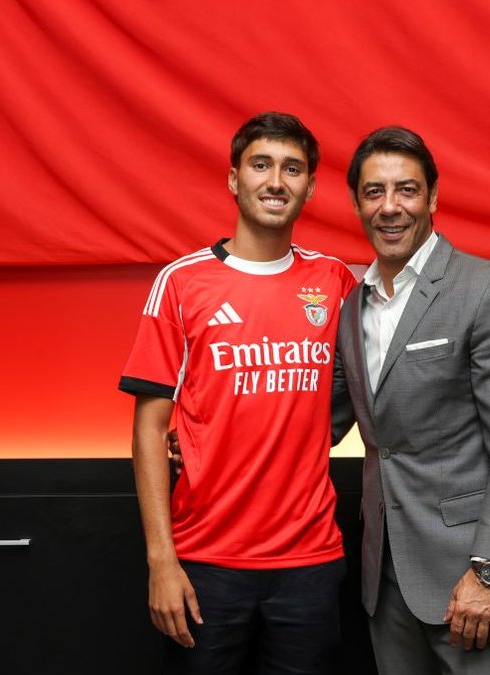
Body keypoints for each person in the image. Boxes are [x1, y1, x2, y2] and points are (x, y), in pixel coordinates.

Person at [119, 112, 357, 675]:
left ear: (310, 187)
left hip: (309, 561)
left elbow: (364, 386)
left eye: (292, 169)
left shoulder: (334, 281)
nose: (276, 181)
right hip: (205, 563)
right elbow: (148, 429)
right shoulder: (181, 282)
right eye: (261, 165)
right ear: (233, 178)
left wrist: (310, 434)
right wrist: (161, 561)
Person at [330, 126, 490, 674]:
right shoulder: (351, 307)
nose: (390, 207)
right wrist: (200, 439)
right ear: (357, 202)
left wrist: (489, 572)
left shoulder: (488, 289)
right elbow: (314, 422)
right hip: (384, 583)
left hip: (472, 583)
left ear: (432, 197)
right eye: (374, 191)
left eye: (406, 190)